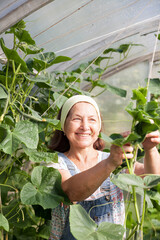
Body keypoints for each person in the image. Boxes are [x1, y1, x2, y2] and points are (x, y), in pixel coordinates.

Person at [48, 95, 160, 240]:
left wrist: (150, 150)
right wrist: (110, 163)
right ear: (63, 125)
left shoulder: (112, 159)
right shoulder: (55, 162)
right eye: (76, 119)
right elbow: (71, 193)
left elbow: (151, 177)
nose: (85, 126)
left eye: (92, 119)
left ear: (99, 127)